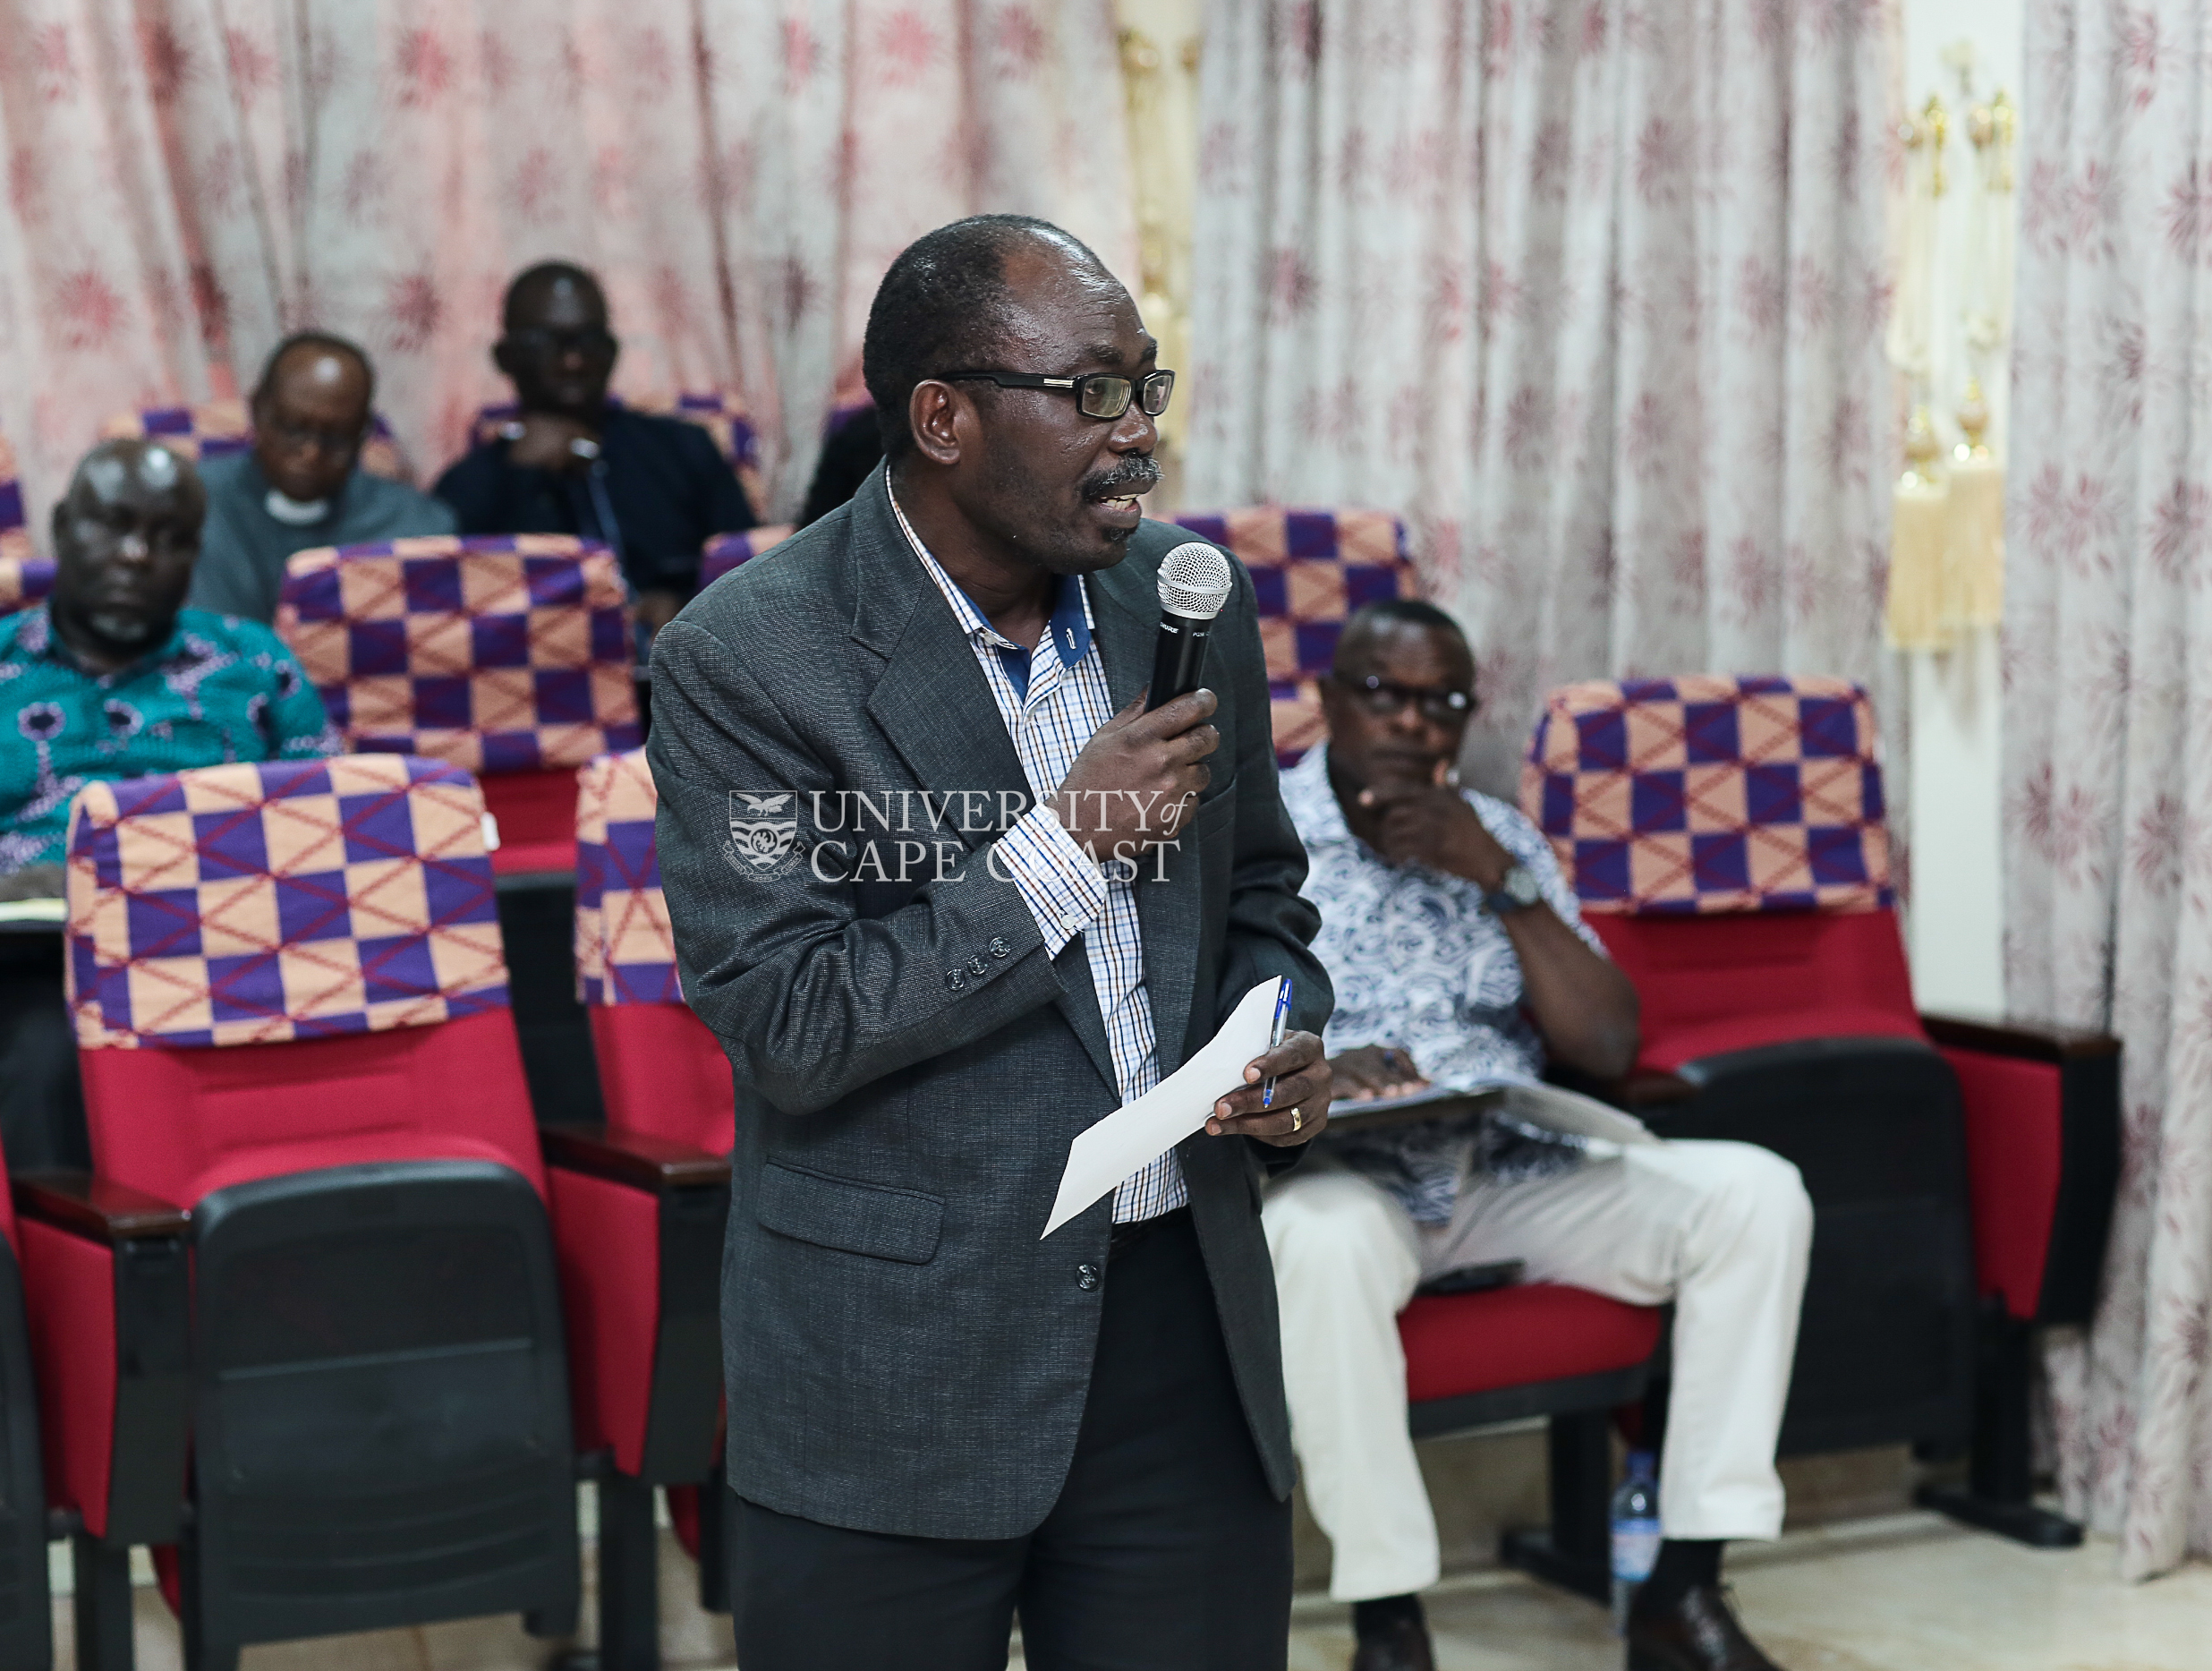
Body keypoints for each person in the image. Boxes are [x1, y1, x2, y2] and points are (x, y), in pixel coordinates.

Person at [648, 214, 1334, 1671]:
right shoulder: (747, 663)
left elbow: (1263, 889)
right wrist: (1059, 849)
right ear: (944, 417)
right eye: (1091, 392)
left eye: (1146, 387)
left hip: (1179, 1332)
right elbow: (792, 1020)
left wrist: (1281, 1027)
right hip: (894, 1357)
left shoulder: (1186, 604)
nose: (1137, 434)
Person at [1263, 598, 1814, 1671]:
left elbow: (1608, 1041)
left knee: (1756, 1192)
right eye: (1386, 694)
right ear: (1329, 700)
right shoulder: (1257, 835)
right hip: (1346, 1176)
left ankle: (1681, 1588)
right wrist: (1319, 1071)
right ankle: (1389, 1618)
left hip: (1509, 1168)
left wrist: (1499, 879)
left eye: (1444, 703)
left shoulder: (1499, 833)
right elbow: (1195, 1029)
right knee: (1317, 1243)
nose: (1415, 725)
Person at [0, 438, 343, 896]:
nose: (136, 555)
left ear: (194, 554)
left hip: (224, 939)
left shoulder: (257, 665)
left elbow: (336, 824)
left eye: (168, 537)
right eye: (113, 525)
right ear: (61, 529)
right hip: (26, 954)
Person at [433, 262, 755, 630]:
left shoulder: (684, 448)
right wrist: (523, 475)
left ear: (613, 352)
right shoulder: (466, 486)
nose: (573, 361)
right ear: (505, 358)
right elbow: (458, 623)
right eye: (546, 344)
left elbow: (754, 577)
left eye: (589, 342)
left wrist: (687, 607)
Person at [186, 332, 455, 623]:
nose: (311, 453)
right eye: (293, 429)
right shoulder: (193, 503)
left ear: (363, 432)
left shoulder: (417, 527)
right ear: (258, 411)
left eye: (335, 437)